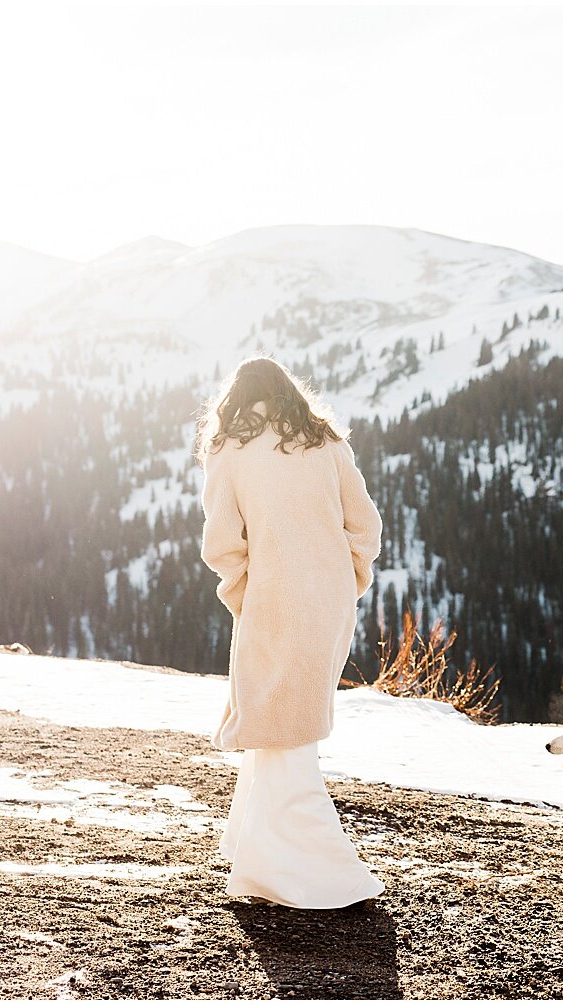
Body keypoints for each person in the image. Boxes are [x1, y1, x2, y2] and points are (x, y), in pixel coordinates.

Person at [197, 355, 385, 908]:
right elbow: (366, 525)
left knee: (282, 725)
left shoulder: (229, 448)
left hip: (273, 597)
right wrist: (345, 575)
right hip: (328, 600)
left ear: (237, 398)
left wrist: (244, 592)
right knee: (285, 719)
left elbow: (222, 544)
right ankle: (250, 844)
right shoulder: (326, 441)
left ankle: (312, 875)